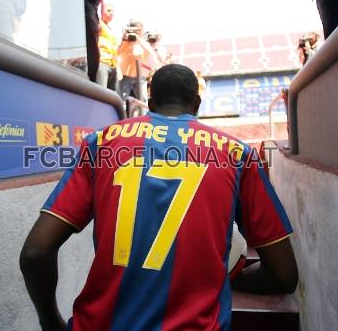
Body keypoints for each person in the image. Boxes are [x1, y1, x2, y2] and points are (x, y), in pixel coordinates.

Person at [20, 64, 298, 331]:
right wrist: (223, 279)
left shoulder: (99, 144)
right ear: (197, 104)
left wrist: (51, 322)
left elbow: (35, 253)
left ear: (150, 104)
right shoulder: (238, 155)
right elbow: (284, 275)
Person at [117, 19, 156, 101]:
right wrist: (124, 40)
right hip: (126, 76)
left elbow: (150, 52)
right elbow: (118, 52)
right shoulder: (126, 42)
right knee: (122, 100)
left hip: (140, 77)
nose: (136, 32)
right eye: (134, 29)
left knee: (142, 100)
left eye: (138, 30)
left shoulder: (144, 43)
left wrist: (138, 38)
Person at [95, 3, 119, 92]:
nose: (111, 13)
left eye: (113, 11)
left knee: (112, 94)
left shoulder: (110, 29)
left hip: (112, 65)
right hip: (102, 62)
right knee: (101, 93)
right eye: (108, 10)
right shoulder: (98, 23)